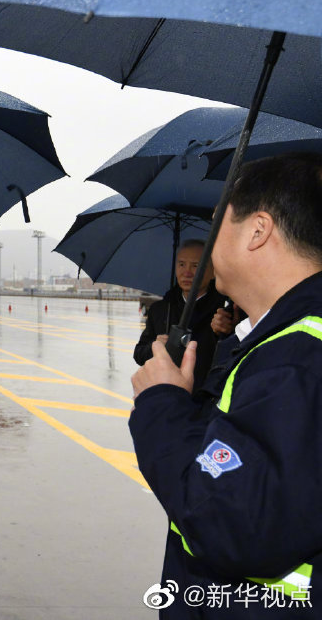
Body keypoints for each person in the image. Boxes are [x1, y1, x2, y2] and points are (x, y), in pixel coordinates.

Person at [130, 152, 322, 618]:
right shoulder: (282, 341)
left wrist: (162, 403)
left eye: (219, 221)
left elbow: (229, 522)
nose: (211, 238)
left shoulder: (295, 360)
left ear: (258, 230)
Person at [133, 239, 235, 397]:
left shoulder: (226, 309)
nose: (187, 272)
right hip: (167, 397)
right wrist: (155, 346)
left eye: (195, 266)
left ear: (212, 271)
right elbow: (139, 354)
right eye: (181, 264)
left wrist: (227, 333)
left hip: (210, 399)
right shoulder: (161, 309)